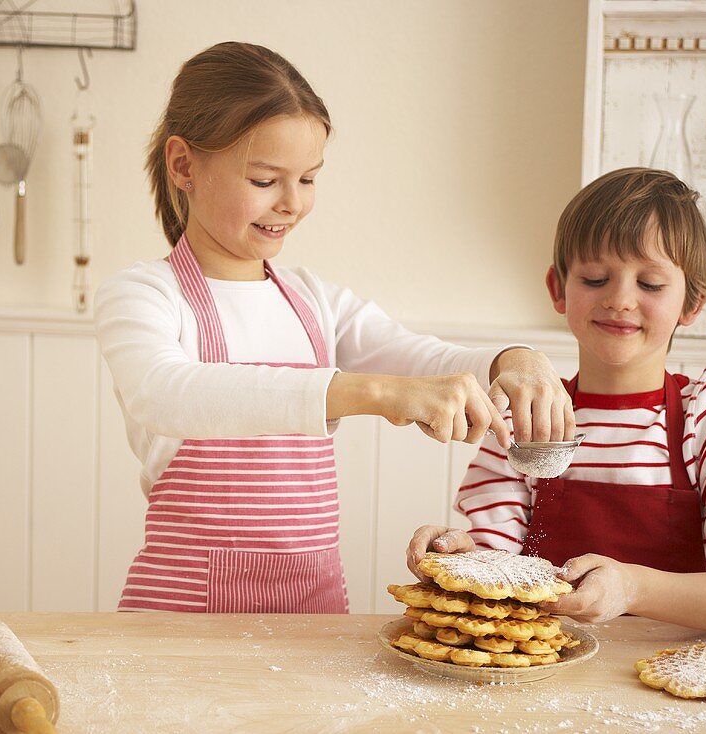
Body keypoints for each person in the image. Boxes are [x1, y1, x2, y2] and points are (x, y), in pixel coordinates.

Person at [95, 41, 571, 614]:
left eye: (309, 179)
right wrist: (371, 392)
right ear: (183, 165)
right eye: (265, 179)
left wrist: (512, 360)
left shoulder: (315, 302)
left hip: (311, 609)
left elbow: (417, 357)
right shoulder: (146, 294)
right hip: (180, 614)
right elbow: (166, 393)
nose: (292, 204)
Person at [408, 167, 706, 634]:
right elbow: (497, 562)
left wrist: (633, 588)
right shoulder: (522, 416)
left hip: (677, 680)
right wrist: (458, 557)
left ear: (691, 303)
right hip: (547, 673)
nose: (619, 299)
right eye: (595, 278)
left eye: (650, 284)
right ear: (558, 288)